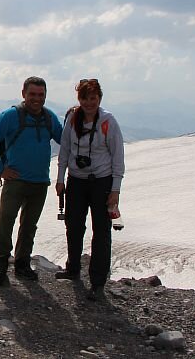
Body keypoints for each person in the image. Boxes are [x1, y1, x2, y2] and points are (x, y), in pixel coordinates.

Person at [0, 76, 63, 286]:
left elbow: (65, 139)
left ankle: (22, 264)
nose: (37, 99)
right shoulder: (11, 116)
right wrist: (0, 169)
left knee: (29, 226)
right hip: (16, 181)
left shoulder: (49, 118)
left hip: (39, 182)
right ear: (23, 94)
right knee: (6, 222)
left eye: (41, 95)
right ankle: (0, 267)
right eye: (32, 94)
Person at [55, 79, 125, 300]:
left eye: (93, 98)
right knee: (73, 226)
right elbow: (64, 149)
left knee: (101, 231)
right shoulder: (72, 118)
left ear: (99, 98)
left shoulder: (108, 121)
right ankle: (73, 269)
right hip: (76, 180)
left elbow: (117, 157)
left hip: (101, 182)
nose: (89, 102)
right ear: (79, 99)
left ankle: (98, 282)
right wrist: (60, 178)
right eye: (85, 98)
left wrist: (115, 190)